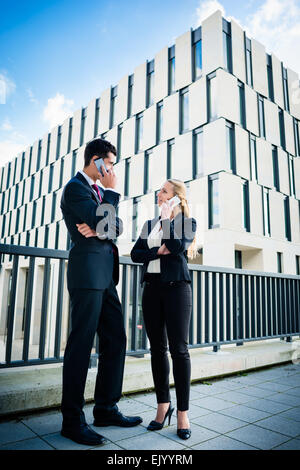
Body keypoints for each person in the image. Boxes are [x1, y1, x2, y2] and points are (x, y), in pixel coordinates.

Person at [60, 138, 142, 446]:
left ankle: (106, 408)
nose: (111, 170)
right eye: (109, 163)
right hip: (87, 273)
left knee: (116, 339)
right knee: (81, 344)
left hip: (106, 276)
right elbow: (104, 220)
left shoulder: (95, 193)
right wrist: (110, 197)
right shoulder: (75, 188)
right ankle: (72, 420)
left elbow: (115, 226)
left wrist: (102, 224)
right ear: (96, 160)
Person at [130, 179, 197, 440]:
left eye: (164, 191)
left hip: (177, 288)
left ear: (176, 198)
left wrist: (168, 221)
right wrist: (159, 251)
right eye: (159, 190)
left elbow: (178, 247)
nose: (159, 193)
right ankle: (162, 406)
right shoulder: (149, 225)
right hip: (152, 290)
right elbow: (136, 254)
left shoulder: (187, 224)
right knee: (157, 349)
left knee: (179, 350)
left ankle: (182, 413)